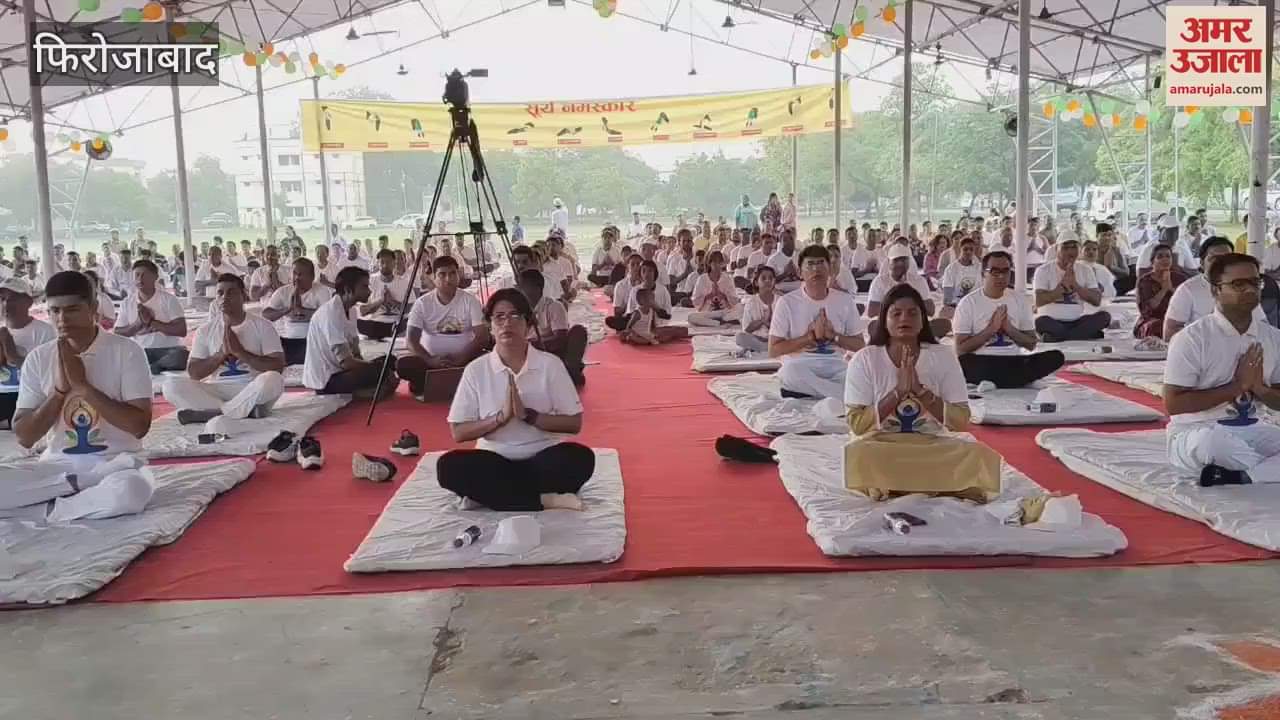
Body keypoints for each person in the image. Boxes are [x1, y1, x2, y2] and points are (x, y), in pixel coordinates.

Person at [438, 288, 593, 511]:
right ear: (490, 326)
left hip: (542, 458)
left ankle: (491, 495)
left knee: (580, 459)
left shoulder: (550, 364)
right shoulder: (476, 369)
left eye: (514, 316)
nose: (506, 323)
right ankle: (544, 500)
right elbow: (458, 432)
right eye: (499, 317)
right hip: (493, 460)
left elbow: (574, 424)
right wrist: (500, 418)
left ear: (528, 324)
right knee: (447, 468)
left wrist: (529, 416)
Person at [843, 283, 1001, 501]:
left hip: (930, 444)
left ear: (922, 320)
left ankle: (897, 485)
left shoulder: (943, 356)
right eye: (896, 313)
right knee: (858, 452)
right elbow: (857, 424)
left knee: (976, 453)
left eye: (912, 313)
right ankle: (939, 485)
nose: (903, 319)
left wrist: (919, 390)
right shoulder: (865, 359)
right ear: (884, 321)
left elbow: (960, 420)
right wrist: (898, 392)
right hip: (881, 443)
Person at [1163, 253, 1280, 485]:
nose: (1249, 290)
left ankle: (1239, 475)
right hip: (1197, 431)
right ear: (1216, 290)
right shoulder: (1192, 338)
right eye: (1238, 284)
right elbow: (1173, 405)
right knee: (1214, 444)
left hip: (1253, 430)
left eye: (1255, 282)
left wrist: (1258, 388)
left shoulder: (1272, 337)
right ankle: (1264, 474)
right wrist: (1237, 386)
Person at [13, 271, 152, 464]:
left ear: (93, 308)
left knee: (129, 489)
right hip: (58, 464)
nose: (62, 319)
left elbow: (139, 427)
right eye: (55, 311)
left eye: (72, 310)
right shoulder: (38, 357)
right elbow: (24, 437)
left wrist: (82, 387)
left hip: (117, 463)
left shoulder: (127, 351)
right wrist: (59, 393)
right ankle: (76, 492)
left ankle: (78, 493)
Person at [162, 274, 285, 425]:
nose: (225, 297)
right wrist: (220, 355)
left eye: (231, 292)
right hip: (216, 391)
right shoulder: (205, 330)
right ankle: (242, 412)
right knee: (170, 386)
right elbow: (194, 373)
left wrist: (241, 353)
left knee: (273, 379)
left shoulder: (263, 326)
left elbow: (278, 366)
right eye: (220, 293)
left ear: (243, 296)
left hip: (252, 387)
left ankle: (217, 413)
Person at [952, 250, 1065, 388]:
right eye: (994, 271)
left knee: (1056, 357)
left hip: (1014, 360)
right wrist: (991, 329)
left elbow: (1031, 344)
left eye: (1005, 271)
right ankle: (1019, 380)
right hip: (982, 361)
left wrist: (1009, 329)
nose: (1001, 276)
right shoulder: (968, 303)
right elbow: (960, 349)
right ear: (983, 273)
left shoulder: (1020, 300)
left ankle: (995, 381)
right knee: (961, 363)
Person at [769, 245, 866, 400]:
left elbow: (860, 345)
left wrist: (834, 336)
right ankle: (843, 396)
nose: (816, 269)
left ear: (829, 270)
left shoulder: (844, 300)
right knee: (789, 372)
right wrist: (808, 338)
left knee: (857, 373)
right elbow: (773, 350)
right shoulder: (787, 303)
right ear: (800, 273)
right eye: (810, 264)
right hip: (801, 366)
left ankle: (814, 392)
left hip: (835, 366)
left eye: (821, 263)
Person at [396, 256, 490, 402]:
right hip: (430, 362)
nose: (448, 279)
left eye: (453, 273)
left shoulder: (470, 300)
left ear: (458, 275)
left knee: (489, 360)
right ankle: (453, 383)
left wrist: (461, 358)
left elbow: (482, 337)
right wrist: (430, 360)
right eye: (442, 274)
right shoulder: (422, 303)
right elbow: (411, 340)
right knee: (403, 365)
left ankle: (441, 382)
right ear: (433, 277)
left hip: (464, 360)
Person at [303, 266, 397, 398]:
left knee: (390, 361)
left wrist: (376, 369)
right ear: (347, 290)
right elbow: (347, 362)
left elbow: (356, 353)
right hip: (328, 380)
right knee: (381, 369)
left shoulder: (351, 310)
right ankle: (362, 392)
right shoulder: (331, 313)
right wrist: (379, 370)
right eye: (364, 287)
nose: (369, 291)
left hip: (342, 371)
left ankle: (369, 389)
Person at [1165, 237, 1264, 341]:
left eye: (1227, 258)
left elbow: (1261, 324)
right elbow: (1171, 330)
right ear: (1202, 263)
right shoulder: (1188, 290)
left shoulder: (1245, 288)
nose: (1221, 263)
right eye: (1214, 259)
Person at [114, 259, 189, 374]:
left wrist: (152, 323)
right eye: (137, 275)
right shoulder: (127, 302)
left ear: (155, 277)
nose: (139, 279)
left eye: (144, 275)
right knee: (118, 357)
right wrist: (138, 324)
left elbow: (182, 330)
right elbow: (118, 333)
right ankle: (154, 367)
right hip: (141, 351)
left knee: (182, 355)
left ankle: (151, 367)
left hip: (168, 351)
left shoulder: (169, 299)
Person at [1031, 236, 1111, 343]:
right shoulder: (1043, 270)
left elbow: (1096, 300)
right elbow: (1039, 301)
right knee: (1039, 322)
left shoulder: (1085, 270)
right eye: (1065, 248)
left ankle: (1058, 337)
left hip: (1077, 321)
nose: (1070, 251)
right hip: (1051, 320)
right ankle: (1083, 335)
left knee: (1104, 317)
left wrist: (1076, 285)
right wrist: (1062, 288)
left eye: (1074, 247)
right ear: (1056, 250)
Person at [517, 269, 588, 386]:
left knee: (578, 331)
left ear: (537, 288)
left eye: (522, 286)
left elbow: (560, 340)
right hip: (526, 357)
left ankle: (570, 369)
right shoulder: (517, 311)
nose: (518, 290)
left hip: (551, 352)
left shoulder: (554, 306)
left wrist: (532, 345)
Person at [0, 278, 55, 428]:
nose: (6, 305)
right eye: (2, 299)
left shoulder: (45, 332)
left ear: (28, 302)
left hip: (29, 394)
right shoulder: (1, 331)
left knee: (22, 422)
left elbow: (46, 376)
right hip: (2, 394)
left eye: (12, 299)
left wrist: (14, 357)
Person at [263, 258, 333, 366]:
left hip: (314, 341)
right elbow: (267, 314)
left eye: (301, 274)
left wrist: (301, 311)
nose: (296, 278)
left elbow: (327, 316)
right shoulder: (283, 291)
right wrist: (287, 310)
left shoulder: (322, 291)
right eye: (294, 273)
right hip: (288, 340)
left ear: (312, 276)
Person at [867, 245, 948, 338]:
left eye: (904, 260)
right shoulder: (879, 282)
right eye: (896, 260)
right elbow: (871, 312)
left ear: (909, 262)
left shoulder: (919, 281)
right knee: (874, 325)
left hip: (914, 321)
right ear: (889, 262)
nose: (900, 263)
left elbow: (931, 310)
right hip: (890, 323)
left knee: (944, 324)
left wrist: (909, 310)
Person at [1134, 244, 1189, 339]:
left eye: (1168, 256)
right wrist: (1164, 289)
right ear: (1152, 262)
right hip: (1152, 321)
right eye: (1160, 257)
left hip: (1176, 320)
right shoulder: (1145, 281)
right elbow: (1146, 311)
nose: (1165, 259)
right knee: (1157, 327)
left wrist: (1171, 289)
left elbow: (1186, 304)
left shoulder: (1180, 278)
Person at [358, 248, 412, 341]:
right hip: (375, 322)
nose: (385, 265)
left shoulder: (403, 282)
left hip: (397, 323)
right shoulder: (370, 281)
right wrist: (380, 300)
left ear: (394, 263)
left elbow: (410, 309)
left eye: (388, 262)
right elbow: (362, 311)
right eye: (382, 262)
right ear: (377, 263)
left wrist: (392, 301)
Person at [687, 250, 741, 327]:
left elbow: (734, 300)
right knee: (691, 317)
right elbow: (695, 300)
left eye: (720, 262)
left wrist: (723, 296)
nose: (717, 265)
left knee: (741, 309)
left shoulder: (727, 278)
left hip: (724, 311)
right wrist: (708, 296)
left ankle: (718, 321)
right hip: (708, 312)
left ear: (723, 264)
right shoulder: (702, 279)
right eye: (714, 262)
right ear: (709, 263)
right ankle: (720, 323)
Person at [620, 287, 687, 345]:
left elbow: (652, 324)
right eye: (651, 299)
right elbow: (629, 325)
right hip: (639, 334)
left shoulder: (651, 310)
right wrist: (628, 332)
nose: (654, 301)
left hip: (648, 333)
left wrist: (655, 332)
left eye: (653, 299)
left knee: (670, 330)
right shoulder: (637, 313)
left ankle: (683, 332)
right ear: (642, 301)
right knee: (667, 336)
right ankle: (634, 339)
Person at [736, 265, 778, 354]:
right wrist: (763, 321)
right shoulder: (751, 302)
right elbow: (746, 329)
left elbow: (786, 329)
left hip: (777, 339)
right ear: (756, 282)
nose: (768, 281)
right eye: (764, 278)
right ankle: (767, 348)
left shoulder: (781, 301)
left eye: (771, 278)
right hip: (758, 339)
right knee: (740, 337)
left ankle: (766, 348)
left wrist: (770, 324)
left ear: (774, 282)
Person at [939, 235, 981, 320]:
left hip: (977, 304)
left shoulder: (980, 267)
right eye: (965, 249)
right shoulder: (951, 269)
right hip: (957, 306)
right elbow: (947, 297)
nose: (968, 252)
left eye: (971, 249)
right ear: (960, 249)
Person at [606, 253, 645, 331]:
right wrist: (630, 304)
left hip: (645, 317)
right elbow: (617, 311)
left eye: (638, 264)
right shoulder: (620, 285)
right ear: (628, 267)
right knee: (610, 320)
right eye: (632, 264)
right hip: (627, 317)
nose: (636, 267)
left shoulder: (647, 283)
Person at [1096, 223, 1134, 296]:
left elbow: (1126, 272)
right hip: (1097, 284)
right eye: (1104, 235)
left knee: (1134, 271)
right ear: (1097, 236)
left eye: (1109, 235)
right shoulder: (1092, 249)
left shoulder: (1116, 250)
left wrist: (1111, 267)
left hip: (1115, 283)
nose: (1107, 238)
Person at [667, 230, 698, 306]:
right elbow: (671, 282)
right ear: (679, 242)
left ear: (692, 241)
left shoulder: (698, 256)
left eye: (689, 240)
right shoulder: (674, 258)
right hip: (681, 293)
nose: (686, 243)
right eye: (684, 241)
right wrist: (685, 274)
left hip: (698, 292)